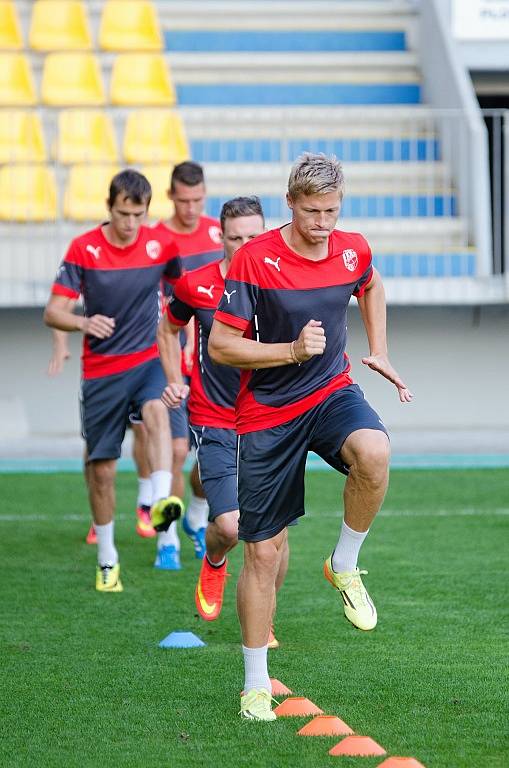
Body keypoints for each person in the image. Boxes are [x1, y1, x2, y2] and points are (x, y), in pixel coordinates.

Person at [208, 153, 413, 721]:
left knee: (375, 450)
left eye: (332, 211)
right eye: (312, 211)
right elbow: (221, 347)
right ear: (291, 205)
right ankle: (255, 681)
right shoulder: (254, 258)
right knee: (264, 552)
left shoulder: (353, 247)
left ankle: (343, 564)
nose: (323, 223)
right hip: (268, 410)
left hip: (329, 392)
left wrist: (379, 347)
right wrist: (291, 351)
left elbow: (369, 284)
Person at [43, 169, 184, 592]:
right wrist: (84, 322)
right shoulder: (83, 249)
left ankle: (159, 502)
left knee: (158, 410)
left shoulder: (163, 246)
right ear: (110, 208)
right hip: (103, 371)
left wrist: (188, 337)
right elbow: (52, 311)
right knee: (102, 470)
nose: (130, 224)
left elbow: (184, 296)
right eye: (123, 214)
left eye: (138, 215)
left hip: (148, 359)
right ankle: (107, 557)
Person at [158, 197, 287, 647]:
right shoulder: (196, 285)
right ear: (221, 237)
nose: (245, 245)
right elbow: (167, 327)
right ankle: (214, 559)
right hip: (214, 416)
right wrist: (175, 378)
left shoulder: (281, 282)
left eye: (254, 236)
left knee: (275, 532)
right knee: (232, 526)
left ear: (267, 234)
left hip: (272, 417)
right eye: (236, 238)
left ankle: (264, 617)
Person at [150, 161, 224, 569]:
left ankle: (196, 515)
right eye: (184, 200)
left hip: (215, 361)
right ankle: (167, 538)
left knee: (211, 456)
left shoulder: (220, 233)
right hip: (174, 359)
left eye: (198, 199)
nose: (192, 208)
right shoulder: (157, 240)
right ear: (171, 196)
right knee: (175, 449)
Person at [47, 332, 157, 542]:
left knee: (143, 428)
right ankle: (98, 518)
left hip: (140, 365)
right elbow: (60, 305)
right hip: (101, 372)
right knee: (95, 446)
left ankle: (145, 505)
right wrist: (60, 343)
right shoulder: (95, 298)